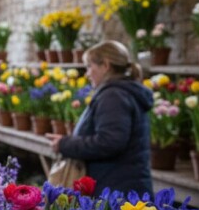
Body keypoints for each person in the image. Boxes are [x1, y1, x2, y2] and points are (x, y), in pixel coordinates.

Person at [46, 40, 153, 196]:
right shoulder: (120, 92)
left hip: (117, 192)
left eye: (90, 66)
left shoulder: (114, 96)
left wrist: (65, 144)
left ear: (106, 65)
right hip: (122, 186)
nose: (87, 73)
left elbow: (110, 142)